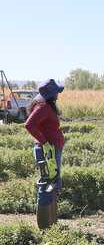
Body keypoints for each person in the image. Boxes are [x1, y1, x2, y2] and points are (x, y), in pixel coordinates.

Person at [25, 79, 64, 228]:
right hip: (49, 151)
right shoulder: (43, 108)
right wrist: (45, 143)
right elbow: (28, 125)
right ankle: (44, 227)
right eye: (56, 92)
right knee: (48, 183)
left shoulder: (46, 106)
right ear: (51, 94)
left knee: (53, 183)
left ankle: (52, 223)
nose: (58, 95)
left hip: (52, 150)